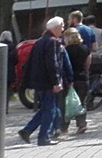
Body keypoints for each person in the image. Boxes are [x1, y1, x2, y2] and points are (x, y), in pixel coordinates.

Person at [18, 17, 67, 146]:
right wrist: (56, 82)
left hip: (38, 81)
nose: (63, 30)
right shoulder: (52, 42)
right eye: (62, 27)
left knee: (46, 108)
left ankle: (27, 131)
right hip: (47, 82)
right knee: (50, 109)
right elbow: (53, 63)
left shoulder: (40, 41)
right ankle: (43, 137)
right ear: (56, 28)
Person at [63, 27, 91, 134]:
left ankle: (64, 127)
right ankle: (81, 124)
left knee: (68, 102)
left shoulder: (66, 50)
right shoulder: (85, 49)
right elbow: (87, 64)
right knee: (82, 102)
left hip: (71, 79)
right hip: (83, 78)